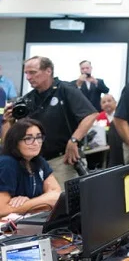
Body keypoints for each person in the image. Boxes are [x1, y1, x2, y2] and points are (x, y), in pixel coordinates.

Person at [2, 56, 97, 184]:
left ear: (48, 71)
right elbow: (18, 134)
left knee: (63, 201)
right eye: (26, 73)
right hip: (35, 162)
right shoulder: (28, 99)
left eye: (33, 72)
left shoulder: (65, 89)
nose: (28, 77)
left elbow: (90, 115)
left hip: (63, 160)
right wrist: (10, 121)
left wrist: (74, 140)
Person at [0, 119, 61, 217]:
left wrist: (29, 203)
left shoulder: (38, 161)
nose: (36, 143)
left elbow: (55, 194)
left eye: (39, 137)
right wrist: (40, 201)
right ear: (15, 142)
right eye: (28, 139)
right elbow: (2, 209)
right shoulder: (7, 164)